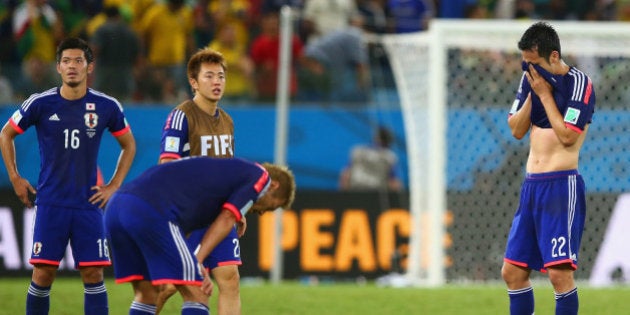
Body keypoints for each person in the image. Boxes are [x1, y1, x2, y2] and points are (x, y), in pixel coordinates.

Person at [0, 37, 136, 314]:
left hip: (89, 204)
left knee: (94, 275)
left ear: (89, 67)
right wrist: (15, 177)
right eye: (66, 61)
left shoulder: (106, 106)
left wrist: (114, 185)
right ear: (58, 67)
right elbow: (6, 134)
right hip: (51, 202)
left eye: (78, 61)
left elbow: (129, 145)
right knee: (43, 274)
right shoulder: (40, 103)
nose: (72, 66)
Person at [104, 157, 296, 315]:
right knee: (199, 292)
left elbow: (184, 225)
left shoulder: (215, 188)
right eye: (272, 206)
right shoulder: (260, 177)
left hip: (117, 207)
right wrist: (198, 261)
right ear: (274, 186)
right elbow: (227, 218)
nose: (263, 212)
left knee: (147, 294)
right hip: (150, 211)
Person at [502, 21, 595, 315]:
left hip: (560, 186)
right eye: (526, 63)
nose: (529, 69)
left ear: (553, 56)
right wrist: (533, 92)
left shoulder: (579, 84)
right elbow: (516, 129)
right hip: (531, 185)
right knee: (513, 272)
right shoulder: (530, 80)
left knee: (559, 274)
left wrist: (544, 95)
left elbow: (568, 136)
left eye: (535, 63)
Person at [155, 48, 239, 315]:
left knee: (230, 279)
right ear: (194, 82)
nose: (217, 82)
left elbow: (229, 171)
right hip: (188, 218)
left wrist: (236, 207)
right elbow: (166, 166)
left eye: (221, 76)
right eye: (210, 76)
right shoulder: (181, 116)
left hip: (219, 217)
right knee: (172, 287)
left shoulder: (227, 121)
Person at [339, 125, 402, 191]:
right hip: (376, 195)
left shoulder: (358, 151)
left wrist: (344, 194)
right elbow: (394, 182)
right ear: (390, 141)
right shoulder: (390, 157)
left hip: (356, 192)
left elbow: (346, 174)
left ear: (376, 137)